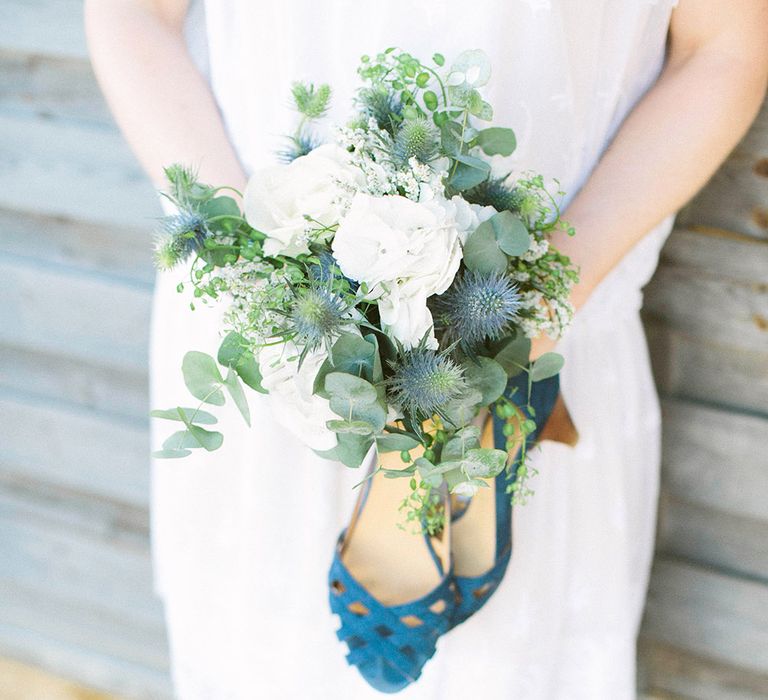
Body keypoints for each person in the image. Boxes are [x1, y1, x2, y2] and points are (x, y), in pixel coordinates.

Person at [85, 1, 768, 698]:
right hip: (273, 334)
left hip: (544, 330)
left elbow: (720, 46)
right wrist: (268, 276)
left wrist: (533, 307)